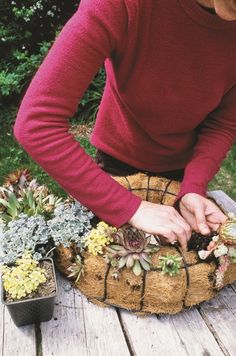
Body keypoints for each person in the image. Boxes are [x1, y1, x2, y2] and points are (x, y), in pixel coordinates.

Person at [14, 0, 236, 251]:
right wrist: (129, 207)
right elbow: (36, 123)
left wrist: (194, 187)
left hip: (185, 171)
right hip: (114, 168)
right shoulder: (122, 4)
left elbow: (223, 124)